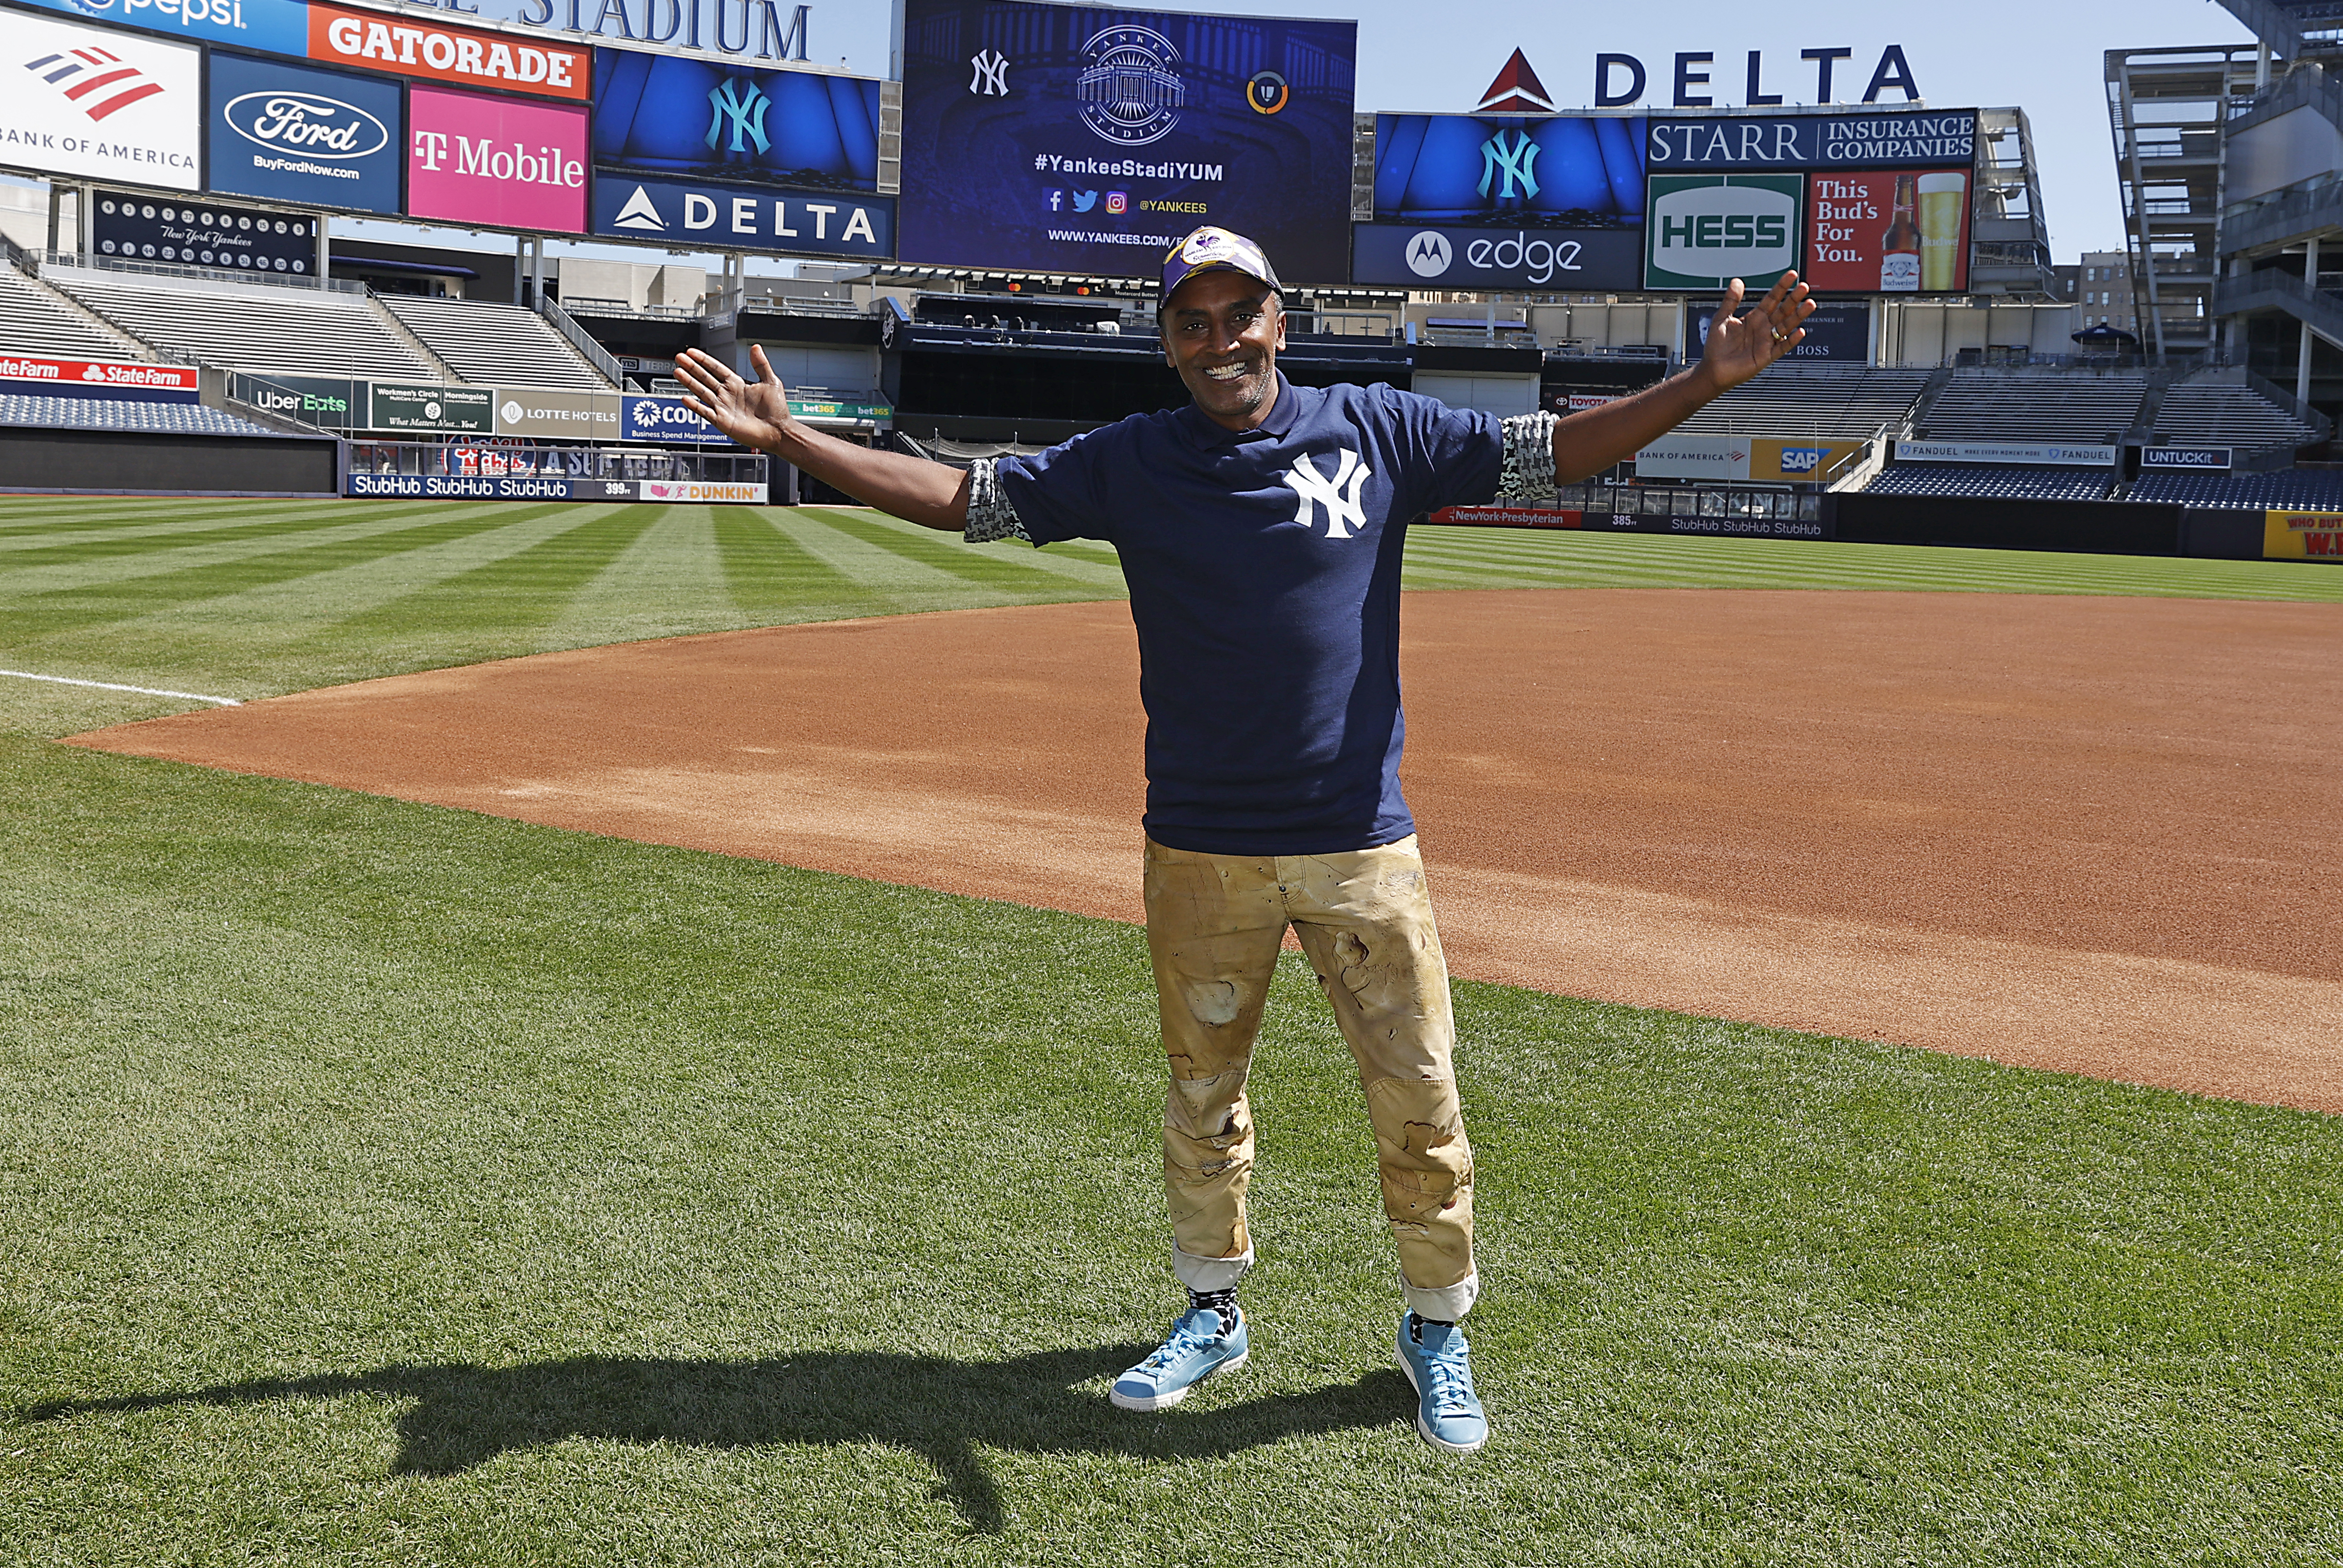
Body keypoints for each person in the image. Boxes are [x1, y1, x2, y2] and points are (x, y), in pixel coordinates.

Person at [677, 226, 1815, 1454]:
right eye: (1194, 323)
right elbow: (968, 500)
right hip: (1201, 849)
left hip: (1360, 846)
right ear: (1168, 342)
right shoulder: (1132, 460)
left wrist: (1702, 383)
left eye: (1241, 316)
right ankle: (1212, 1311)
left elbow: (1547, 457)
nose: (1222, 342)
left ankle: (1436, 1327)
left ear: (1282, 319)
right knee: (1202, 1094)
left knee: (1420, 1097)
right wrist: (794, 441)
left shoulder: (1380, 428)